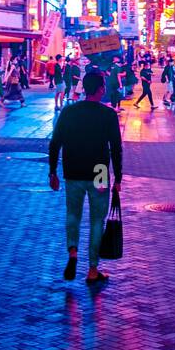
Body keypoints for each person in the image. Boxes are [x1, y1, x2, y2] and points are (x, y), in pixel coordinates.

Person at [48, 69, 123, 286]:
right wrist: (117, 177)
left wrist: (52, 172)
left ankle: (72, 251)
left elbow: (55, 142)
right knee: (97, 219)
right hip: (99, 170)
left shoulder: (70, 112)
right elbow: (116, 148)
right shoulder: (108, 114)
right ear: (100, 90)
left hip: (73, 168)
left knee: (73, 213)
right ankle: (92, 268)